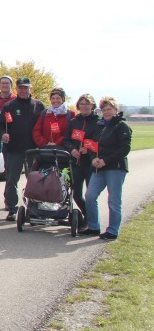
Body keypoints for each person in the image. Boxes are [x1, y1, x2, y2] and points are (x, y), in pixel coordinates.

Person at [79, 96, 132, 241]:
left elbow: (124, 149)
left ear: (116, 110)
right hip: (98, 168)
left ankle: (112, 230)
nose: (107, 112)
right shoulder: (100, 125)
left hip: (115, 168)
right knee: (90, 196)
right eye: (104, 109)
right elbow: (91, 145)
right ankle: (94, 226)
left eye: (110, 109)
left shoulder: (122, 126)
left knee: (113, 200)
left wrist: (105, 161)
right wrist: (93, 158)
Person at [0, 77, 45, 221]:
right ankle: (12, 209)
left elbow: (44, 126)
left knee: (35, 181)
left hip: (34, 150)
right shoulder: (9, 106)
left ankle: (34, 208)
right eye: (21, 88)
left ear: (31, 88)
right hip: (14, 149)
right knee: (12, 180)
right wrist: (2, 134)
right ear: (16, 89)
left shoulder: (39, 105)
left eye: (26, 87)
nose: (23, 90)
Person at [62, 94, 99, 219]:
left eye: (87, 104)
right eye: (82, 104)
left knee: (90, 195)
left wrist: (88, 149)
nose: (84, 106)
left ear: (92, 105)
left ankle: (92, 222)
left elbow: (99, 141)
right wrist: (72, 150)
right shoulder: (73, 122)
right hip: (75, 164)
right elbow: (66, 140)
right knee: (76, 194)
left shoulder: (98, 123)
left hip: (90, 164)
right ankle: (87, 216)